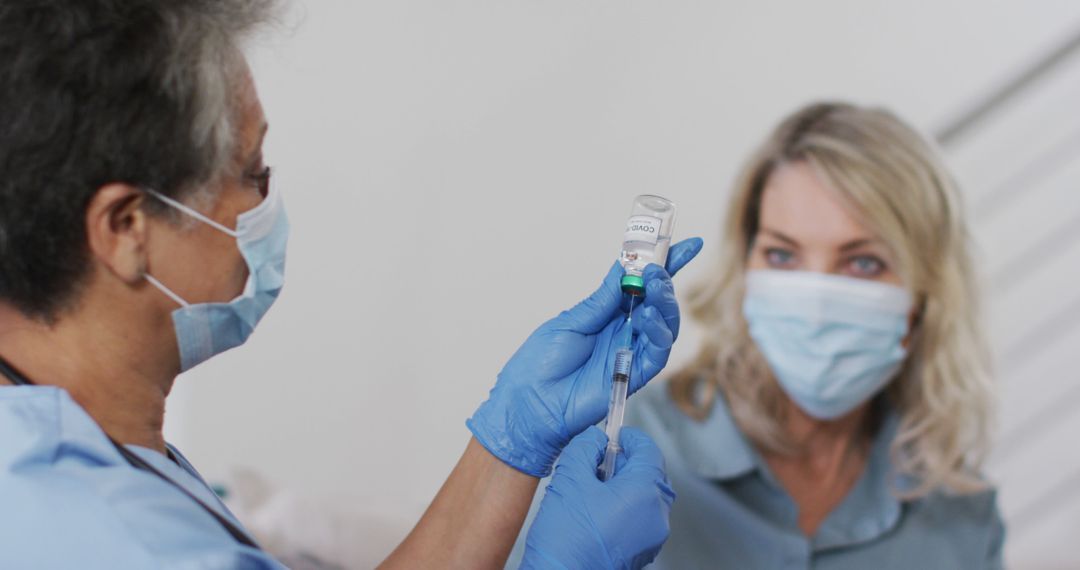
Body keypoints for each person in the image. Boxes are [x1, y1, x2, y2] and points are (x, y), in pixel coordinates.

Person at [0, 1, 703, 568]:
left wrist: (509, 443)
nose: (266, 206)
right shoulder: (116, 541)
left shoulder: (71, 433)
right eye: (252, 171)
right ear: (126, 228)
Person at [618, 102, 1005, 568]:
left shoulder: (961, 522)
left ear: (924, 294)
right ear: (746, 265)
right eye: (782, 256)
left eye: (863, 263)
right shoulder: (629, 444)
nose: (817, 304)